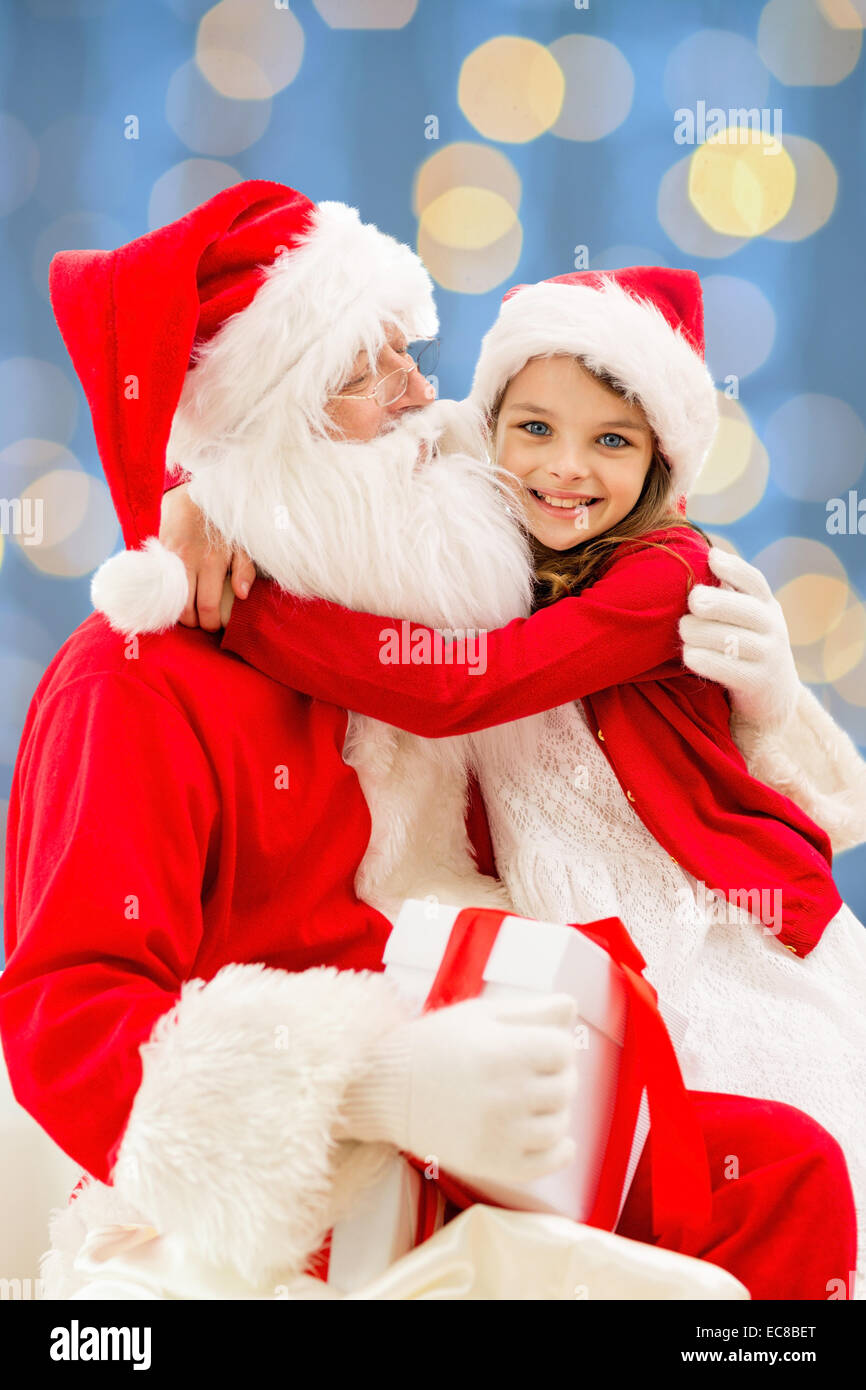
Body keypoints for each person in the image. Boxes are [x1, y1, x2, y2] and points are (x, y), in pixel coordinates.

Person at [0, 183, 856, 1301]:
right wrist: (372, 1082)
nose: (420, 394)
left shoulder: (427, 586)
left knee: (787, 1174)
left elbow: (550, 459)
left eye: (413, 351)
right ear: (271, 423)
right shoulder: (134, 682)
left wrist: (766, 710)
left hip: (499, 1101)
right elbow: (69, 1017)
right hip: (296, 1177)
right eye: (368, 368)